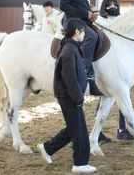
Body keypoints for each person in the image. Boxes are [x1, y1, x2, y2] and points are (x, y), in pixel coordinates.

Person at [37, 18, 97, 173]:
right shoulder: (69, 50)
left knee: (73, 128)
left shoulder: (72, 47)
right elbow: (69, 78)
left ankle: (47, 148)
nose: (84, 34)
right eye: (83, 31)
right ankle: (80, 164)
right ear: (77, 32)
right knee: (79, 131)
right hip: (69, 96)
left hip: (70, 96)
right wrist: (78, 98)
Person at [95, 0, 134, 142]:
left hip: (120, 63)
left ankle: (122, 129)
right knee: (106, 96)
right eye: (109, 4)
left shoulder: (120, 20)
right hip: (106, 64)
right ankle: (100, 131)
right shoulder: (100, 21)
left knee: (123, 96)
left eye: (114, 4)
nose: (112, 7)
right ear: (104, 7)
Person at [58, 0, 98, 80]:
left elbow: (82, 5)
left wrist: (90, 15)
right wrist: (84, 13)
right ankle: (83, 68)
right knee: (91, 36)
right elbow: (64, 5)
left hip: (82, 20)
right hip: (72, 21)